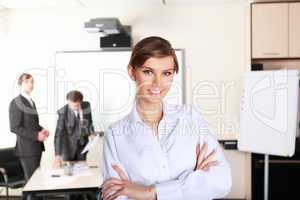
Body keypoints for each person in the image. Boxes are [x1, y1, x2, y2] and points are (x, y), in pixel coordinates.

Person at [101, 36, 232, 200]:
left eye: (166, 73)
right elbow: (115, 195)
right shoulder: (115, 135)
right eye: (148, 72)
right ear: (132, 72)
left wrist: (148, 193)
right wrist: (193, 185)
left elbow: (222, 181)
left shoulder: (190, 118)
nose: (157, 83)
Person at [9, 73, 49, 182]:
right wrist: (36, 135)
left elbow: (32, 124)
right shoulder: (16, 102)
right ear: (20, 85)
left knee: (37, 182)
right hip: (27, 150)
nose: (30, 84)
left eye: (32, 81)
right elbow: (15, 127)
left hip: (36, 148)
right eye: (27, 82)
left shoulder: (31, 102)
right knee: (32, 183)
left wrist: (42, 130)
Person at [53, 90, 96, 168]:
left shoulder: (87, 106)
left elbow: (89, 121)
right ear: (68, 101)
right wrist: (57, 155)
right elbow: (58, 134)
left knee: (82, 170)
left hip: (82, 146)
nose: (73, 108)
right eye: (71, 105)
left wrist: (91, 132)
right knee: (68, 172)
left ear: (81, 102)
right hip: (68, 148)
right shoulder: (62, 112)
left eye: (76, 105)